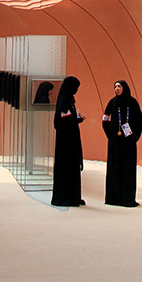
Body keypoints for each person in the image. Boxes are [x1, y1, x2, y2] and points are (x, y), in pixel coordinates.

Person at [102, 80, 142, 207]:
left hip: (128, 144)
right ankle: (113, 198)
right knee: (114, 168)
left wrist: (133, 137)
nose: (116, 89)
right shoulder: (112, 102)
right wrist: (110, 133)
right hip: (115, 143)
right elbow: (105, 118)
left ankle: (127, 198)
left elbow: (140, 121)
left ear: (124, 88)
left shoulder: (132, 103)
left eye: (119, 86)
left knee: (127, 169)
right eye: (115, 87)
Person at [51, 76, 85, 206]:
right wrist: (78, 119)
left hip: (69, 140)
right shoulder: (64, 101)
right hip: (66, 142)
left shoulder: (69, 100)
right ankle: (65, 197)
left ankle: (73, 195)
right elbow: (65, 120)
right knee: (67, 167)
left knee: (72, 166)